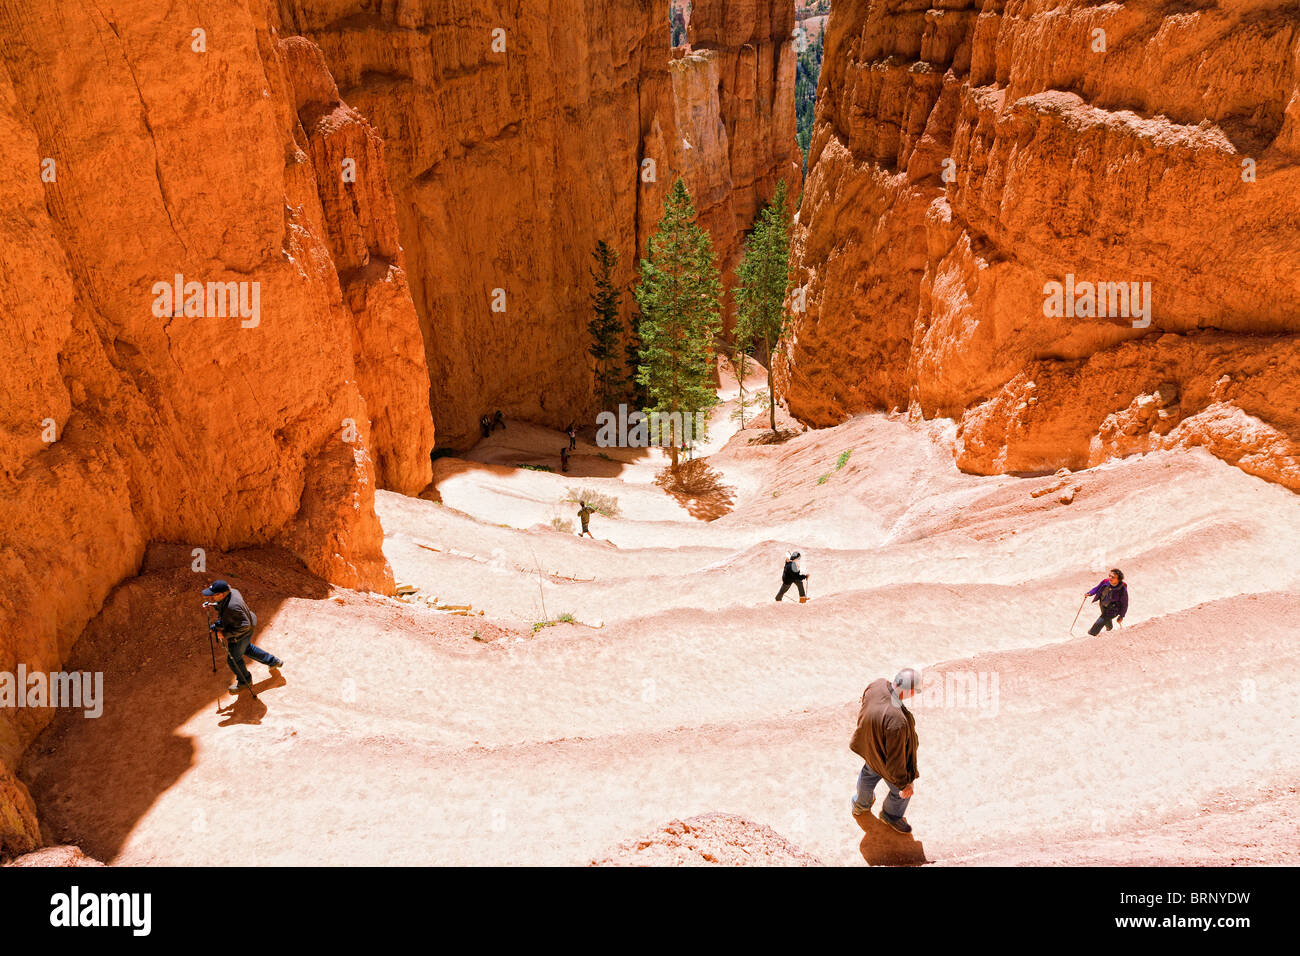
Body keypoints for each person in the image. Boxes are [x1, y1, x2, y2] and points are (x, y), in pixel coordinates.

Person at [850, 669, 921, 834]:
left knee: (868, 773)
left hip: (869, 747)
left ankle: (860, 805)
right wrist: (905, 784)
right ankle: (891, 815)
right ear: (909, 691)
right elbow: (896, 761)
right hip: (883, 758)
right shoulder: (897, 721)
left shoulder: (877, 685)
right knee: (902, 793)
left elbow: (865, 703)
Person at [202, 580, 283, 694]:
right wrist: (214, 605)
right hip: (248, 623)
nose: (211, 596)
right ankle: (273, 661)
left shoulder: (232, 607)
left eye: (214, 594)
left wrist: (224, 634)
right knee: (246, 648)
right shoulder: (233, 592)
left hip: (242, 631)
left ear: (223, 594)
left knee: (233, 659)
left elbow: (244, 625)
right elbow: (226, 607)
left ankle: (245, 681)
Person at [1085, 568, 1128, 635]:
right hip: (1103, 605)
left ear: (1118, 580)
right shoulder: (1105, 581)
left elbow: (1124, 603)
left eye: (1113, 577)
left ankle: (1092, 634)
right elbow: (1097, 588)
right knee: (1106, 618)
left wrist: (1121, 616)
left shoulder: (1122, 589)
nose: (1110, 578)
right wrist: (1090, 593)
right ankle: (1109, 628)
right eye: (1109, 576)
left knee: (1100, 621)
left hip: (1113, 609)